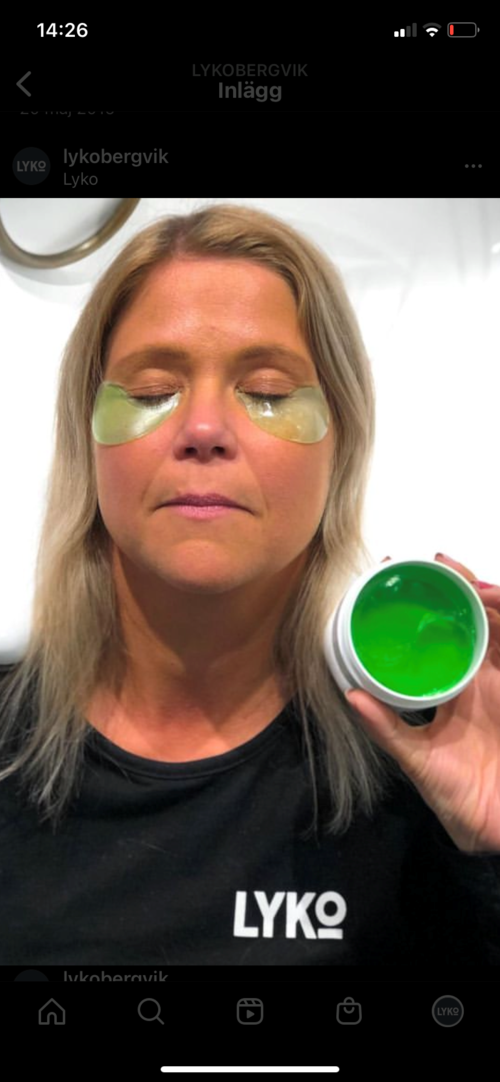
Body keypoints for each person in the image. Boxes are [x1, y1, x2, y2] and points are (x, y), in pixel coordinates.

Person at [0, 203, 499, 967]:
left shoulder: (434, 765)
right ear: (88, 440)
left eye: (268, 391)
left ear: (340, 448)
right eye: (151, 391)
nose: (204, 429)